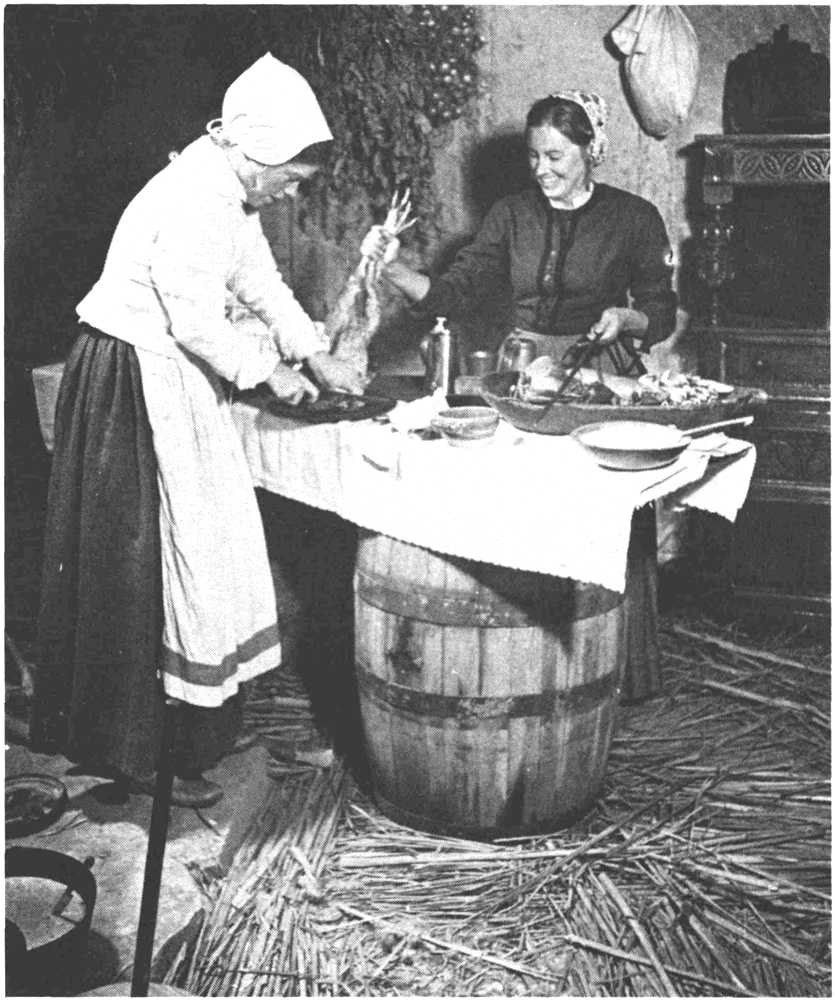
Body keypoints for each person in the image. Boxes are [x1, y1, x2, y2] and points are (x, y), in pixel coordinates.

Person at [31, 54, 364, 808]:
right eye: (292, 178)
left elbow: (257, 279)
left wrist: (314, 351)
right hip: (131, 380)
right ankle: (139, 755)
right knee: (143, 561)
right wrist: (271, 373)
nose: (290, 192)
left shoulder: (230, 191)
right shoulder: (192, 196)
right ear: (257, 154)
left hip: (173, 378)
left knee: (200, 555)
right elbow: (193, 321)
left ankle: (191, 735)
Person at [364, 90, 678, 370]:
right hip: (524, 367)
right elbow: (456, 295)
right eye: (533, 155)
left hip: (601, 368)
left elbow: (661, 313)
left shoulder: (634, 216)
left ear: (590, 150)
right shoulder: (510, 214)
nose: (541, 170)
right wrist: (391, 268)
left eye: (554, 156)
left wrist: (625, 319)